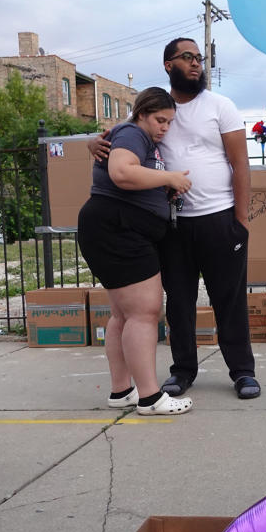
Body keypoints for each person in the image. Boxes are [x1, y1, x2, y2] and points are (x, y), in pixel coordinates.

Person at [89, 38, 260, 400]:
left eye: (200, 58)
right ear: (168, 65)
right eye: (188, 57)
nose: (197, 64)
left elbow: (240, 163)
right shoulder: (156, 109)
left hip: (220, 218)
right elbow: (118, 138)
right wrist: (93, 142)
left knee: (229, 298)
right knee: (178, 302)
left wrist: (240, 220)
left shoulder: (220, 106)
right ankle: (182, 371)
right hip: (173, 225)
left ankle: (243, 372)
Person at [77, 87, 193, 415]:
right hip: (119, 229)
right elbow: (122, 172)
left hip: (113, 227)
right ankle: (150, 398)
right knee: (144, 312)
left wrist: (160, 186)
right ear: (141, 113)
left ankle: (122, 390)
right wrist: (168, 177)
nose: (164, 128)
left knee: (123, 315)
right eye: (160, 120)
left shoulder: (134, 136)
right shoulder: (132, 133)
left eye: (169, 123)